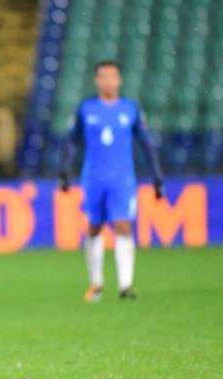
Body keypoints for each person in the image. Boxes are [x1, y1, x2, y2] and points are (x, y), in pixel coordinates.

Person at [59, 60, 164, 303]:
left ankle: (126, 285)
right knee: (94, 227)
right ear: (97, 80)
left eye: (112, 76)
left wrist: (157, 176)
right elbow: (71, 141)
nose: (108, 81)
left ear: (119, 80)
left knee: (123, 225)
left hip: (122, 178)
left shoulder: (130, 108)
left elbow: (146, 143)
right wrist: (64, 171)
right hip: (94, 178)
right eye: (103, 76)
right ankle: (96, 283)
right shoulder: (86, 109)